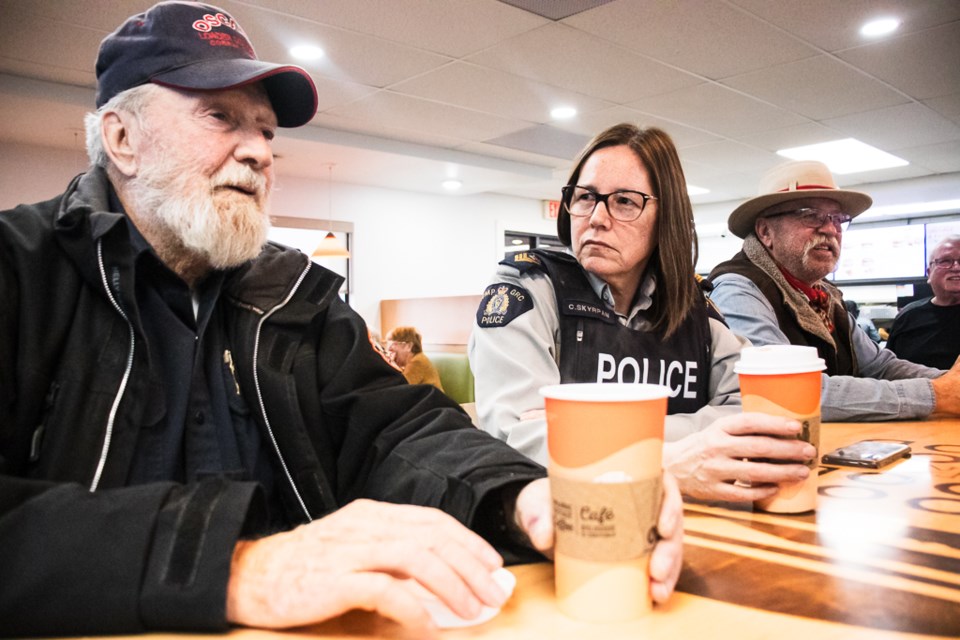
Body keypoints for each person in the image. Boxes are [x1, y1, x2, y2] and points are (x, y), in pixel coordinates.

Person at [0, 4, 683, 636]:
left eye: (265, 130)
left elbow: (397, 429)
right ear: (122, 138)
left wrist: (521, 494)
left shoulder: (298, 298)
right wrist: (236, 568)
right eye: (220, 118)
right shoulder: (18, 275)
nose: (259, 151)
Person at [470, 124, 818, 504]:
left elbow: (761, 411)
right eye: (585, 197)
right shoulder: (528, 291)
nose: (597, 218)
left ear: (665, 218)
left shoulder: (693, 309)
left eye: (624, 202)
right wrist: (668, 456)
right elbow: (517, 443)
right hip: (574, 526)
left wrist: (588, 431)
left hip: (702, 521)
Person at [709, 160, 960, 422]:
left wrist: (949, 383)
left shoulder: (825, 296)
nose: (830, 229)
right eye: (811, 215)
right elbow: (786, 391)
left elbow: (880, 366)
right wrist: (934, 394)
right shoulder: (738, 290)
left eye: (838, 219)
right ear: (765, 231)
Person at [886, 236, 960, 369]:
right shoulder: (908, 316)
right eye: (945, 261)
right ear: (929, 273)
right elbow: (889, 368)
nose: (956, 267)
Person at [385, 326, 445, 390]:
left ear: (408, 346)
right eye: (388, 344)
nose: (389, 348)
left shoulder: (417, 362)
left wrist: (391, 366)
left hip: (433, 399)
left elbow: (401, 388)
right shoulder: (415, 360)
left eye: (393, 344)